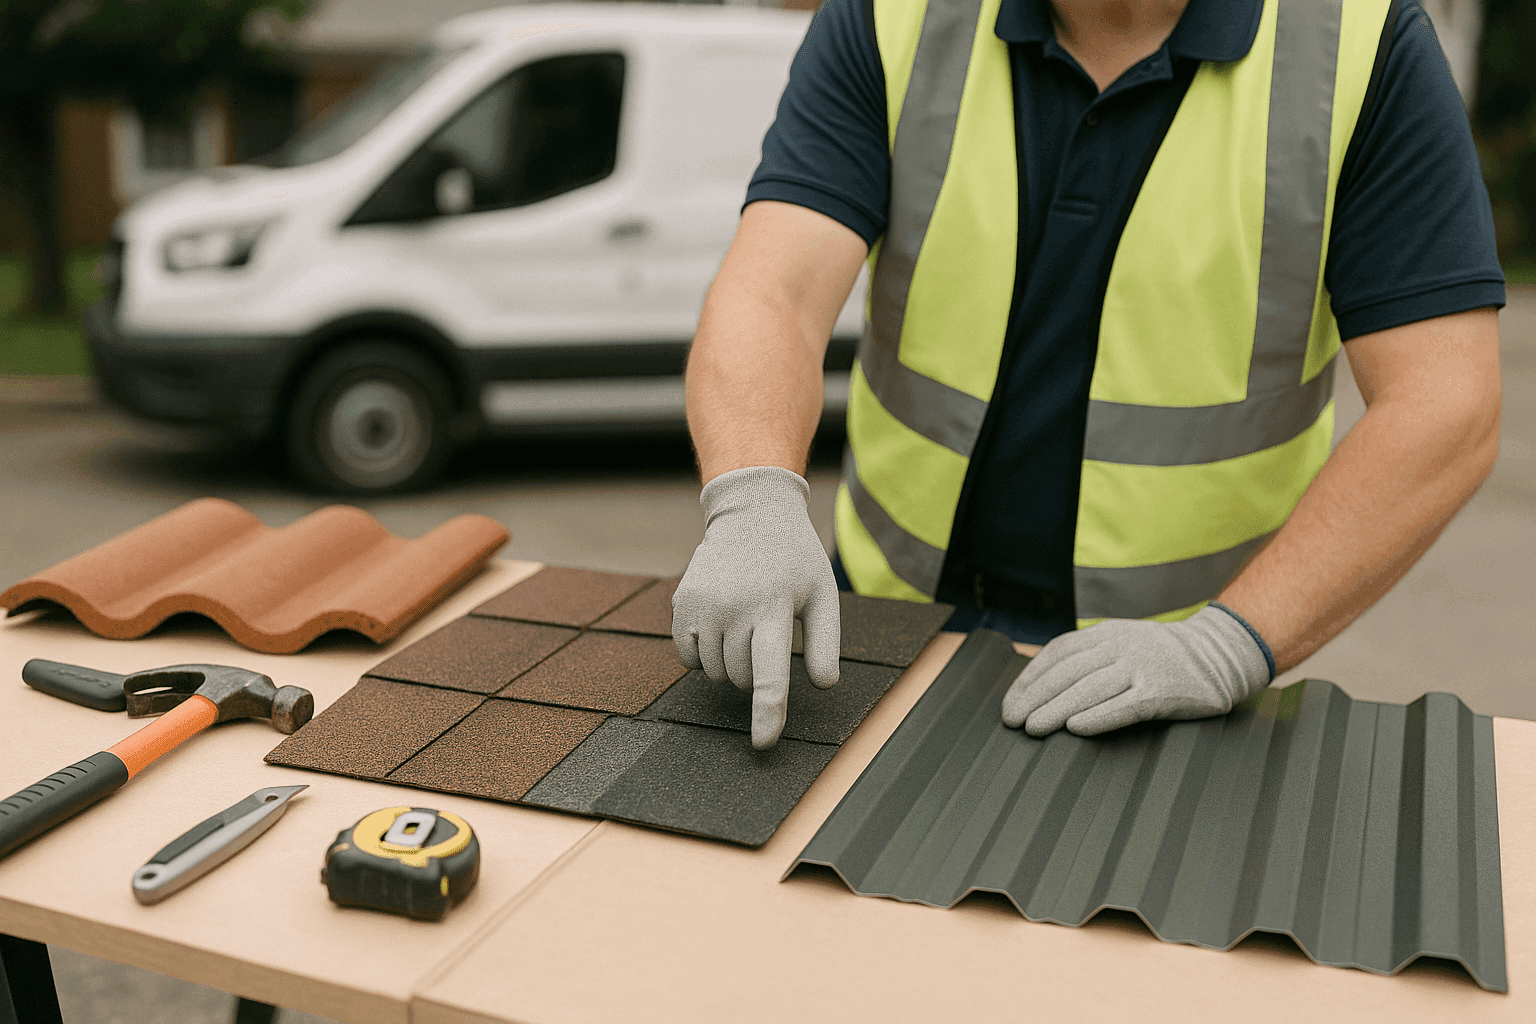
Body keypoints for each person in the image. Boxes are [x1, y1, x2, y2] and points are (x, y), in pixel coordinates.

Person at [672, 0, 1505, 749]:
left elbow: (1443, 405)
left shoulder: (1360, 48)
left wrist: (1228, 644)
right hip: (881, 622)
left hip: (1165, 676)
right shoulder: (897, 16)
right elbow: (773, 289)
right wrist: (754, 499)